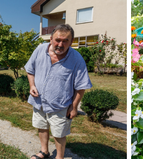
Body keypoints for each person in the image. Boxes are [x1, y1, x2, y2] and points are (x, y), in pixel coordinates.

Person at [24, 24, 92, 159]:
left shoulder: (76, 59)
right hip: (39, 101)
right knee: (41, 126)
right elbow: (30, 70)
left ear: (71, 42)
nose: (60, 44)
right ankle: (44, 151)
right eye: (57, 40)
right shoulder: (39, 50)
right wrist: (32, 85)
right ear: (50, 39)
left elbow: (81, 86)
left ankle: (59, 157)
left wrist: (74, 106)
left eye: (65, 41)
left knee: (59, 133)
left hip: (60, 104)